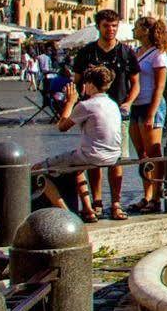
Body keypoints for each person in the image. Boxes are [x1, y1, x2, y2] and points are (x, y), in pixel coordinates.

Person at [71, 10, 138, 215]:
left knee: (116, 159)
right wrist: (80, 98)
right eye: (106, 26)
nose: (111, 30)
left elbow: (135, 84)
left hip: (118, 112)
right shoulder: (87, 52)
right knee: (94, 159)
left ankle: (116, 203)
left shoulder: (126, 52)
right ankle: (98, 201)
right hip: (92, 112)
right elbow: (76, 81)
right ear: (98, 27)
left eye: (114, 26)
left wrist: (128, 102)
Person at [43, 65, 124, 221]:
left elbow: (62, 127)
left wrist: (70, 102)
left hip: (92, 156)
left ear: (91, 85)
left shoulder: (86, 105)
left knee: (38, 171)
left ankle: (67, 214)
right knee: (78, 169)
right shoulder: (113, 104)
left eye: (85, 84)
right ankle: (88, 209)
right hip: (114, 156)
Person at [125, 16, 167, 210]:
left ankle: (157, 196)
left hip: (152, 105)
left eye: (136, 27)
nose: (134, 30)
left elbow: (160, 87)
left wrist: (151, 113)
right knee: (142, 154)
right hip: (136, 105)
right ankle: (146, 194)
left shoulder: (158, 54)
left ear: (146, 30)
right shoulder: (136, 52)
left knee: (153, 153)